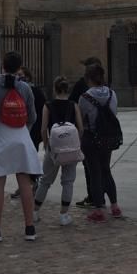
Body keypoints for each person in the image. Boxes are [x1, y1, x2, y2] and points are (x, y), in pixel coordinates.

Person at [0, 52, 42, 242]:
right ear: (19, 67)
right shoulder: (25, 88)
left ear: (3, 65)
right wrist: (23, 128)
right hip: (21, 136)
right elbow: (33, 117)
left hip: (2, 135)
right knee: (25, 181)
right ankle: (30, 228)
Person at [33, 76, 83, 226]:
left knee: (45, 181)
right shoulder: (73, 105)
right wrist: (76, 143)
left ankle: (35, 211)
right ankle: (64, 214)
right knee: (68, 181)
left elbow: (43, 129)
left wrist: (47, 144)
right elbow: (80, 127)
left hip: (54, 149)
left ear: (54, 89)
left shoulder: (48, 106)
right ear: (67, 89)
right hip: (71, 148)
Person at [78, 63, 122, 223]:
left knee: (94, 172)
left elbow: (81, 120)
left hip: (91, 137)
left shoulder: (85, 97)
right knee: (106, 170)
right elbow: (114, 112)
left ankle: (98, 209)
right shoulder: (112, 94)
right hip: (107, 137)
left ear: (88, 78)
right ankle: (115, 206)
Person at [69, 57, 101, 210]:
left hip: (87, 132)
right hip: (105, 134)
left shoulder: (81, 85)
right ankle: (100, 196)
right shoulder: (107, 88)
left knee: (89, 166)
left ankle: (94, 197)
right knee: (102, 167)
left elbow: (73, 104)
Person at [11, 66, 45, 199]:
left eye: (21, 75)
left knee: (28, 158)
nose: (18, 78)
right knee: (21, 159)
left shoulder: (35, 91)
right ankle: (28, 183)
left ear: (28, 77)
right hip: (21, 129)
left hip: (32, 131)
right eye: (17, 75)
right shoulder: (16, 91)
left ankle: (31, 181)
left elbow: (41, 112)